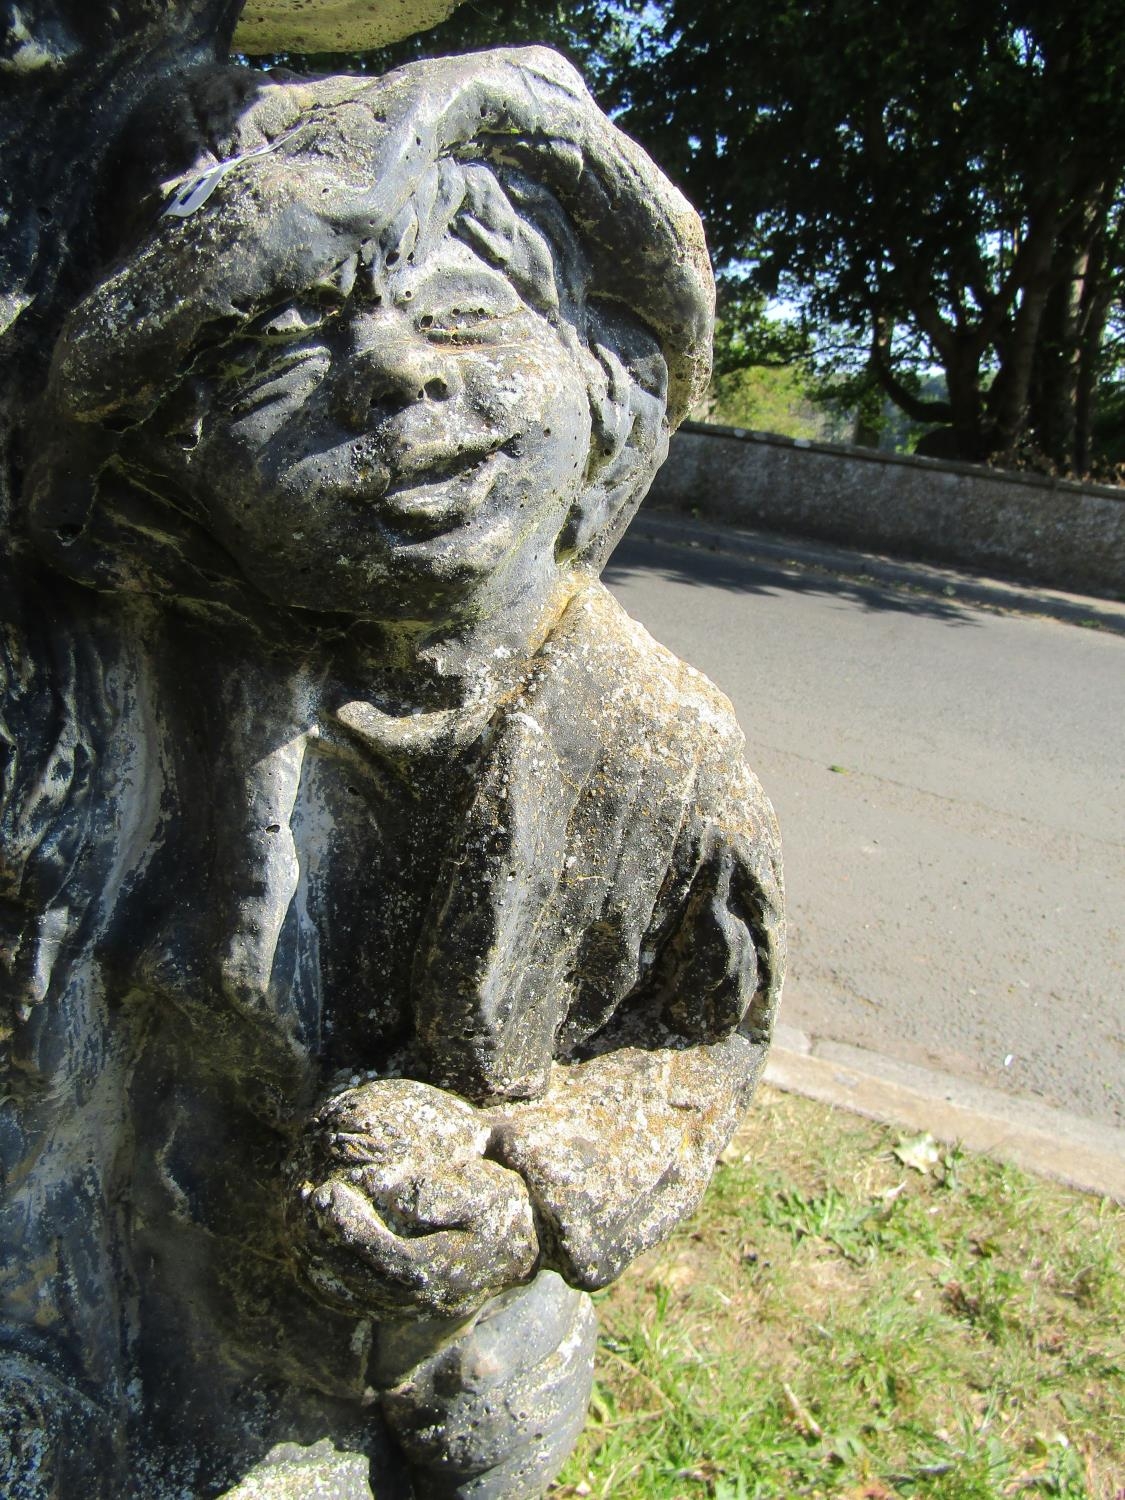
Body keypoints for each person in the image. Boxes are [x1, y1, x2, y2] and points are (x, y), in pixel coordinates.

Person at [3, 46, 784, 1498]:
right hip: (181, 1276)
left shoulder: (652, 743)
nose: (399, 378)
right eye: (286, 355)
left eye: (470, 315)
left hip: (468, 1344)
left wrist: (531, 1190)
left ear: (606, 381)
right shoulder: (147, 694)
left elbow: (697, 1041)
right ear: (180, 483)